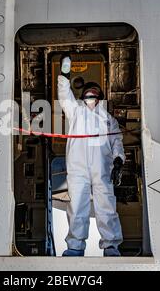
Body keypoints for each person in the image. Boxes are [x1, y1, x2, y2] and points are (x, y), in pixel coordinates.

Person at [57, 54, 125, 257]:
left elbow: (117, 141)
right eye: (87, 94)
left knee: (106, 207)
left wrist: (119, 159)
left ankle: (111, 246)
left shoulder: (108, 119)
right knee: (77, 206)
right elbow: (64, 94)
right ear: (83, 96)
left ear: (100, 97)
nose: (90, 97)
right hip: (77, 168)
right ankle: (75, 247)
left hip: (102, 168)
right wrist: (64, 74)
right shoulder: (75, 111)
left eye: (94, 94)